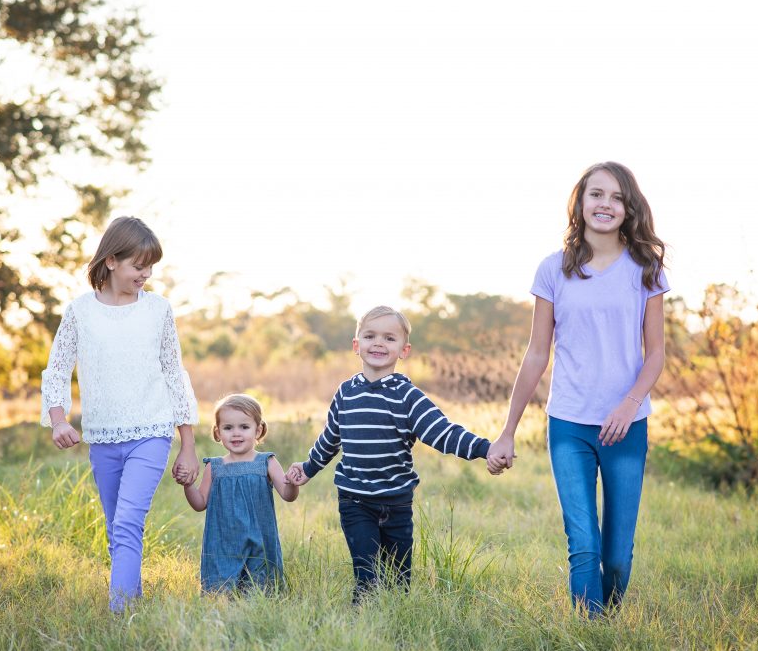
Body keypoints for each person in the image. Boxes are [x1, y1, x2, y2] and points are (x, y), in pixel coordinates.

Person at [486, 161, 668, 617]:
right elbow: (535, 354)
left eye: (617, 197)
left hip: (627, 427)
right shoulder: (554, 270)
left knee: (617, 559)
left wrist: (629, 406)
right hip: (568, 424)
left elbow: (657, 354)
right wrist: (507, 430)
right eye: (596, 194)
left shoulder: (645, 269)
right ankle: (590, 638)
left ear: (629, 209)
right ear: (580, 202)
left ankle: (608, 620)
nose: (605, 204)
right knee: (583, 545)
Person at [40, 215, 200, 613]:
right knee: (116, 530)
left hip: (151, 432)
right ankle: (132, 601)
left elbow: (173, 374)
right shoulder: (80, 312)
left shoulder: (158, 310)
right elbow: (57, 368)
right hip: (102, 439)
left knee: (128, 522)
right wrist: (59, 419)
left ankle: (121, 613)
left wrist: (188, 445)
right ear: (111, 261)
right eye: (138, 265)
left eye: (151, 266)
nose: (146, 274)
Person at [287, 306, 490, 602]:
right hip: (354, 499)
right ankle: (361, 628)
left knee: (398, 581)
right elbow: (331, 438)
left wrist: (486, 449)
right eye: (370, 336)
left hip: (396, 502)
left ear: (403, 350)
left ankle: (396, 624)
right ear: (356, 345)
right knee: (367, 575)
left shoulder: (408, 397)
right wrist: (308, 468)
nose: (379, 343)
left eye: (389, 338)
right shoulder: (345, 393)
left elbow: (442, 432)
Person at [182, 394, 299, 593]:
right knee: (221, 593)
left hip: (259, 538)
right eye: (228, 428)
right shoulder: (214, 467)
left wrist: (293, 484)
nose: (236, 433)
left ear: (258, 430)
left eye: (244, 427)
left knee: (260, 589)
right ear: (218, 432)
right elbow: (200, 503)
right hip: (223, 542)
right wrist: (188, 485)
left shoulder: (267, 462)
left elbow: (287, 494)